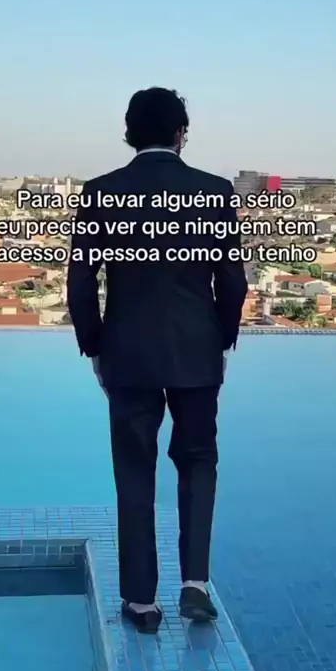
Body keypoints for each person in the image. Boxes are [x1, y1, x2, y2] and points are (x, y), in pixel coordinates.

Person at [67, 87, 248, 633]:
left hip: (127, 354)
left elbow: (81, 283)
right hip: (197, 352)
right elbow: (232, 282)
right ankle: (195, 583)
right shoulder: (214, 192)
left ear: (129, 133)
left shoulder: (101, 193)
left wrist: (95, 346)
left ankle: (142, 603)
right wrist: (221, 341)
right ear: (180, 133)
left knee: (133, 469)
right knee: (198, 461)